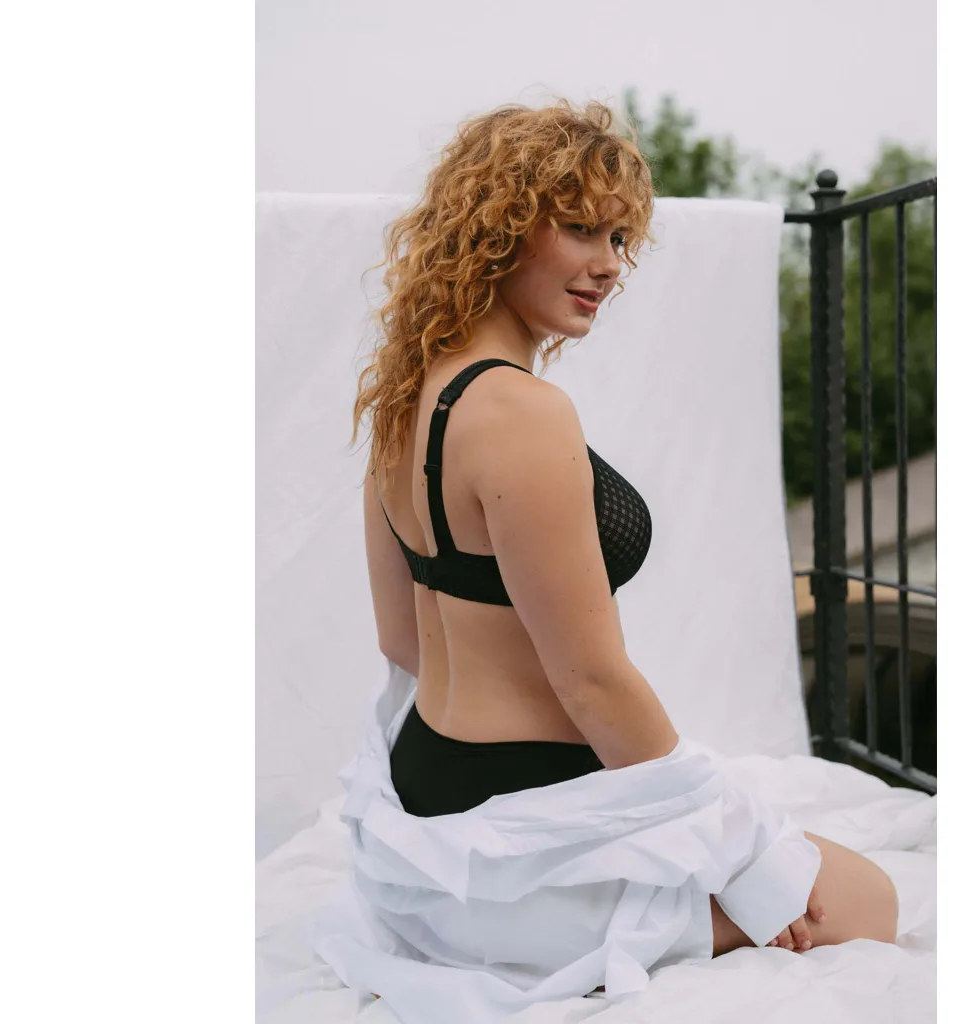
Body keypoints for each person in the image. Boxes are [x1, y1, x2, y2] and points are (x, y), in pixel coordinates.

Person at [320, 98, 897, 1021]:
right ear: (498, 228)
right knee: (869, 899)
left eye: (620, 238)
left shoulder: (405, 400)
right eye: (581, 228)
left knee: (796, 856)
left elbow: (403, 642)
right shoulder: (520, 412)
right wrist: (738, 858)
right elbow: (591, 681)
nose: (608, 265)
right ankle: (568, 920)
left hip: (430, 825)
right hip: (519, 841)